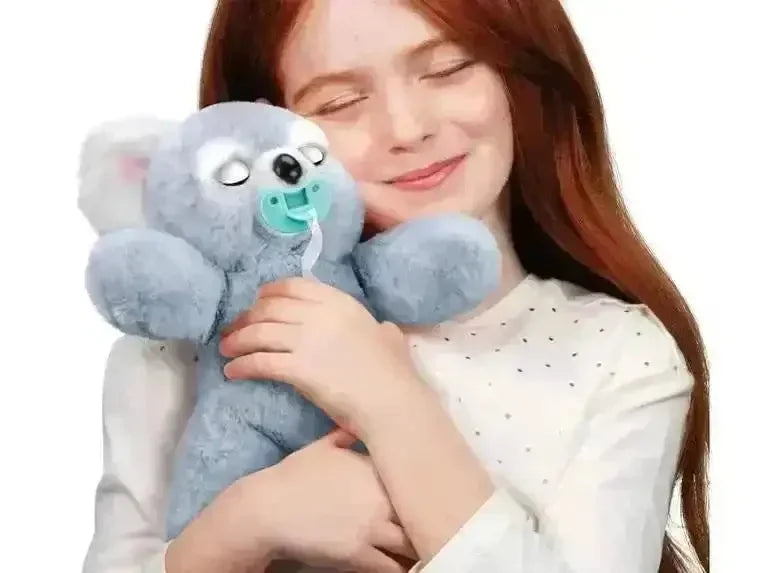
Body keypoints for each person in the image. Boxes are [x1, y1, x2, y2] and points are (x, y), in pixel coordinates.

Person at [81, 1, 710, 572]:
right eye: (339, 103)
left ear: (521, 71)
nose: (407, 128)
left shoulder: (619, 354)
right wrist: (248, 521)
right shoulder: (187, 350)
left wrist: (391, 402)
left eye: (447, 69)